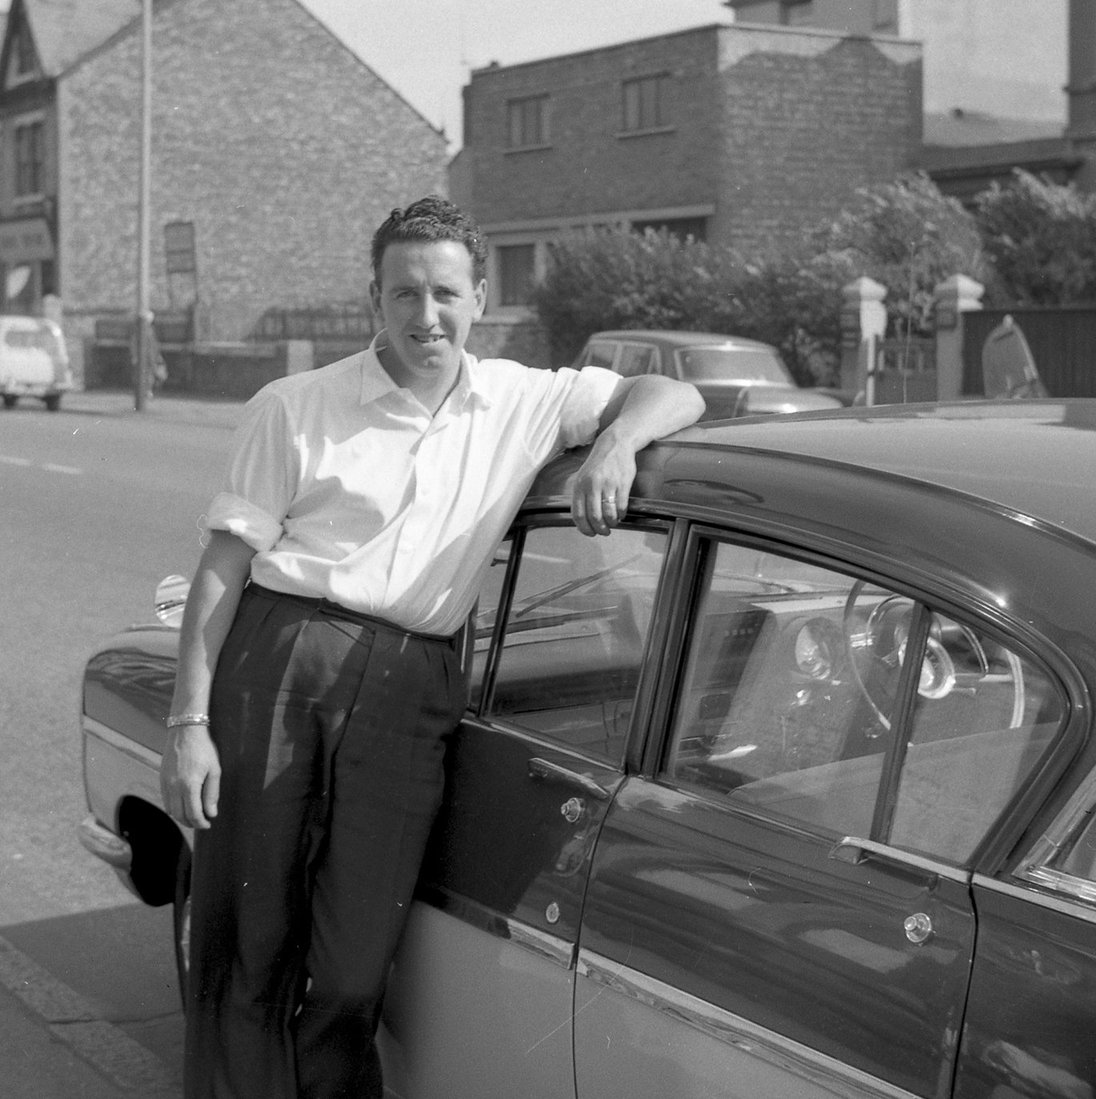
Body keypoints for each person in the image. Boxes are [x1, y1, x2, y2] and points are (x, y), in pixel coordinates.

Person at [159, 195, 705, 1099]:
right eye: (404, 293)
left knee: (351, 963)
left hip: (411, 684)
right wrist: (189, 721)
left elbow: (675, 393)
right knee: (248, 940)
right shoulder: (294, 407)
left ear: (480, 297)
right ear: (374, 299)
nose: (426, 315)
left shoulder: (523, 400)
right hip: (282, 659)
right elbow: (222, 568)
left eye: (445, 293)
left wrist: (617, 443)